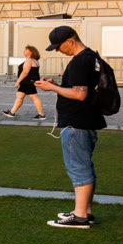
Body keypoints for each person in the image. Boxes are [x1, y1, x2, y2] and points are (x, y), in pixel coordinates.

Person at [38, 24, 106, 229]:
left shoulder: (80, 61)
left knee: (78, 167)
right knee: (84, 166)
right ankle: (85, 211)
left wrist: (52, 87)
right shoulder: (91, 57)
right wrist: (57, 85)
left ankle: (80, 216)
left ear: (70, 41)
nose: (58, 51)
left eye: (58, 46)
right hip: (87, 120)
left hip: (76, 122)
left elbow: (79, 94)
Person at [5, 45, 45, 119]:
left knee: (34, 97)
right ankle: (12, 112)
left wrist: (17, 82)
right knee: (19, 96)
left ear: (31, 52)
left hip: (27, 82)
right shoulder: (34, 60)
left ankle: (41, 115)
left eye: (26, 50)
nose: (24, 51)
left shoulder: (29, 60)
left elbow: (25, 72)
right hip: (28, 82)